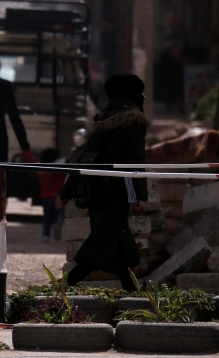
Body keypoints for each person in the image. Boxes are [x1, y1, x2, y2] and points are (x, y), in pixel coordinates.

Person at [61, 74, 148, 287]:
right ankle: (66, 283)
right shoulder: (134, 122)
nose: (143, 96)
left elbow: (84, 157)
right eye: (140, 91)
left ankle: (132, 294)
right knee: (103, 243)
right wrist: (140, 196)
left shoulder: (102, 119)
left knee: (121, 247)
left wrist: (67, 191)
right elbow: (134, 161)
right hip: (116, 193)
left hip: (96, 191)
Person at [38, 148, 66, 242]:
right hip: (58, 196)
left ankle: (46, 235)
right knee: (57, 215)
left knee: (46, 217)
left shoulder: (41, 169)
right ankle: (56, 224)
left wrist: (26, 150)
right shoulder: (62, 167)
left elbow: (31, 159)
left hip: (46, 197)